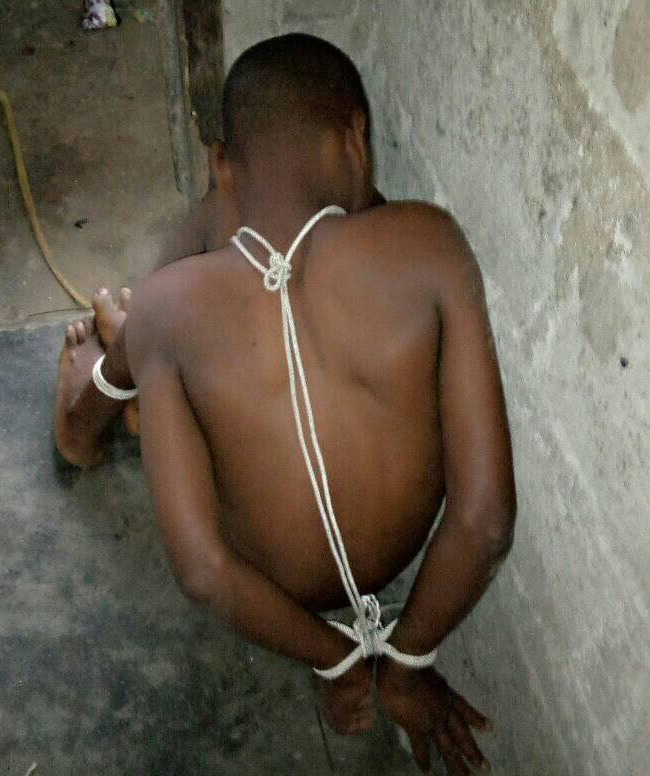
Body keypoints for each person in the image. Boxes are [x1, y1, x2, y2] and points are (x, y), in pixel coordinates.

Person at [54, 34, 515, 776]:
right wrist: (401, 663)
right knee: (190, 315)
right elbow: (485, 520)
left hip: (274, 584)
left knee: (166, 320)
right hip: (399, 555)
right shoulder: (432, 244)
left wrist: (336, 660)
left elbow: (204, 571)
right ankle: (137, 357)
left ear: (222, 163)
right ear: (356, 137)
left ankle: (101, 391)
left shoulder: (175, 301)